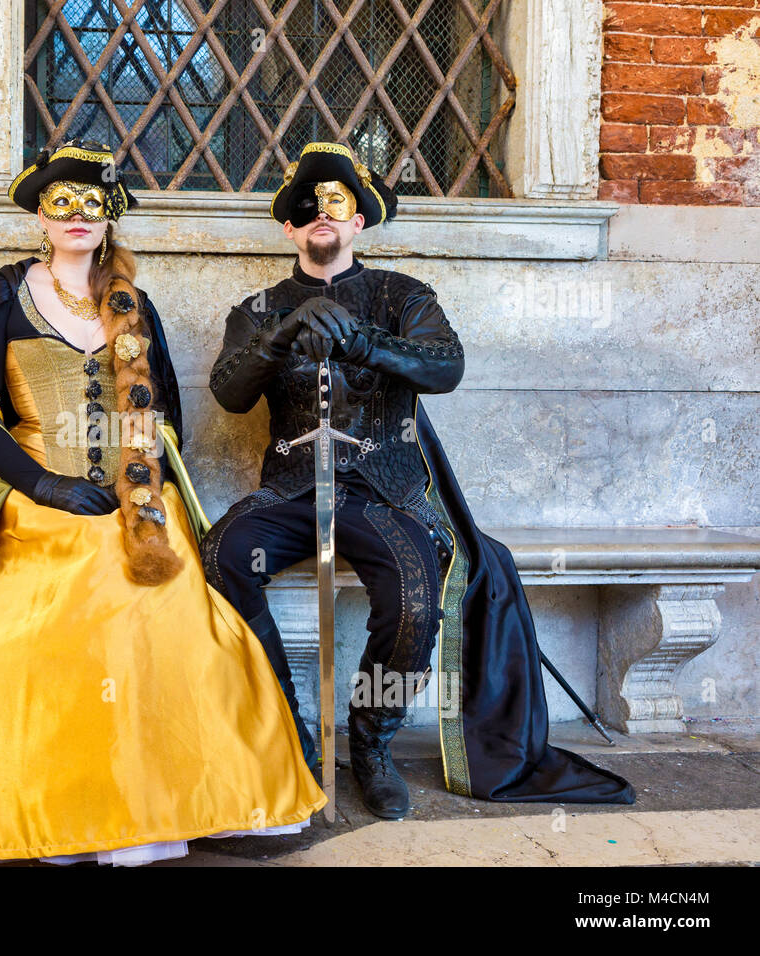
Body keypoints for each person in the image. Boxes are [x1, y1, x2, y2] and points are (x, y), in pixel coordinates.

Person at [0, 140, 327, 866]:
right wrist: (43, 484)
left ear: (110, 217)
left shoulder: (135, 307)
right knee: (12, 638)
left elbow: (165, 412)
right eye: (61, 202)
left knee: (173, 614)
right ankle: (55, 807)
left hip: (132, 503)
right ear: (40, 217)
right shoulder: (4, 293)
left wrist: (141, 490)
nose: (77, 215)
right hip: (28, 499)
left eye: (92, 203)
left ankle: (166, 801)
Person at [201, 142, 634, 820]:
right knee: (220, 554)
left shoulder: (402, 295)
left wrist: (361, 341)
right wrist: (281, 334)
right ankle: (291, 733)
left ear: (360, 222)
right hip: (291, 490)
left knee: (413, 594)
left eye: (337, 204)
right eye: (306, 207)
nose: (321, 215)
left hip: (383, 490)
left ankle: (371, 746)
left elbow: (445, 366)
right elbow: (228, 393)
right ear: (288, 226)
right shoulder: (256, 307)